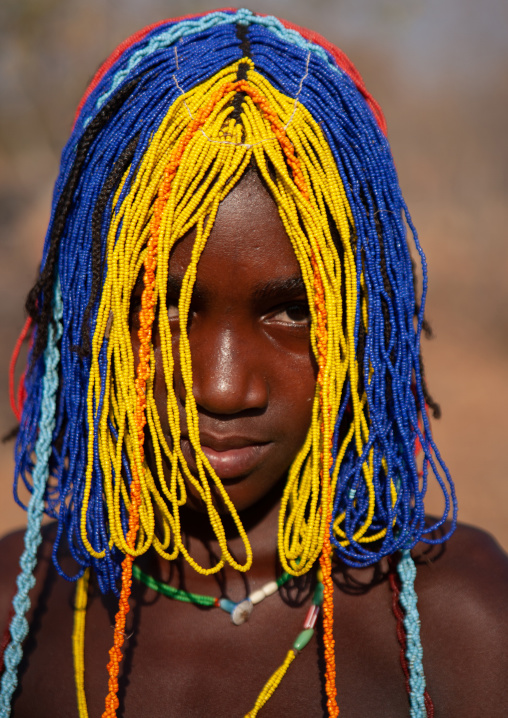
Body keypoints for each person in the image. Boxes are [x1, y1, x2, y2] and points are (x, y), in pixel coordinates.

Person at [0, 8, 507, 717]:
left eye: (290, 309)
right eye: (167, 309)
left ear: (368, 320)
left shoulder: (458, 620)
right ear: (90, 312)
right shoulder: (20, 606)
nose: (224, 387)